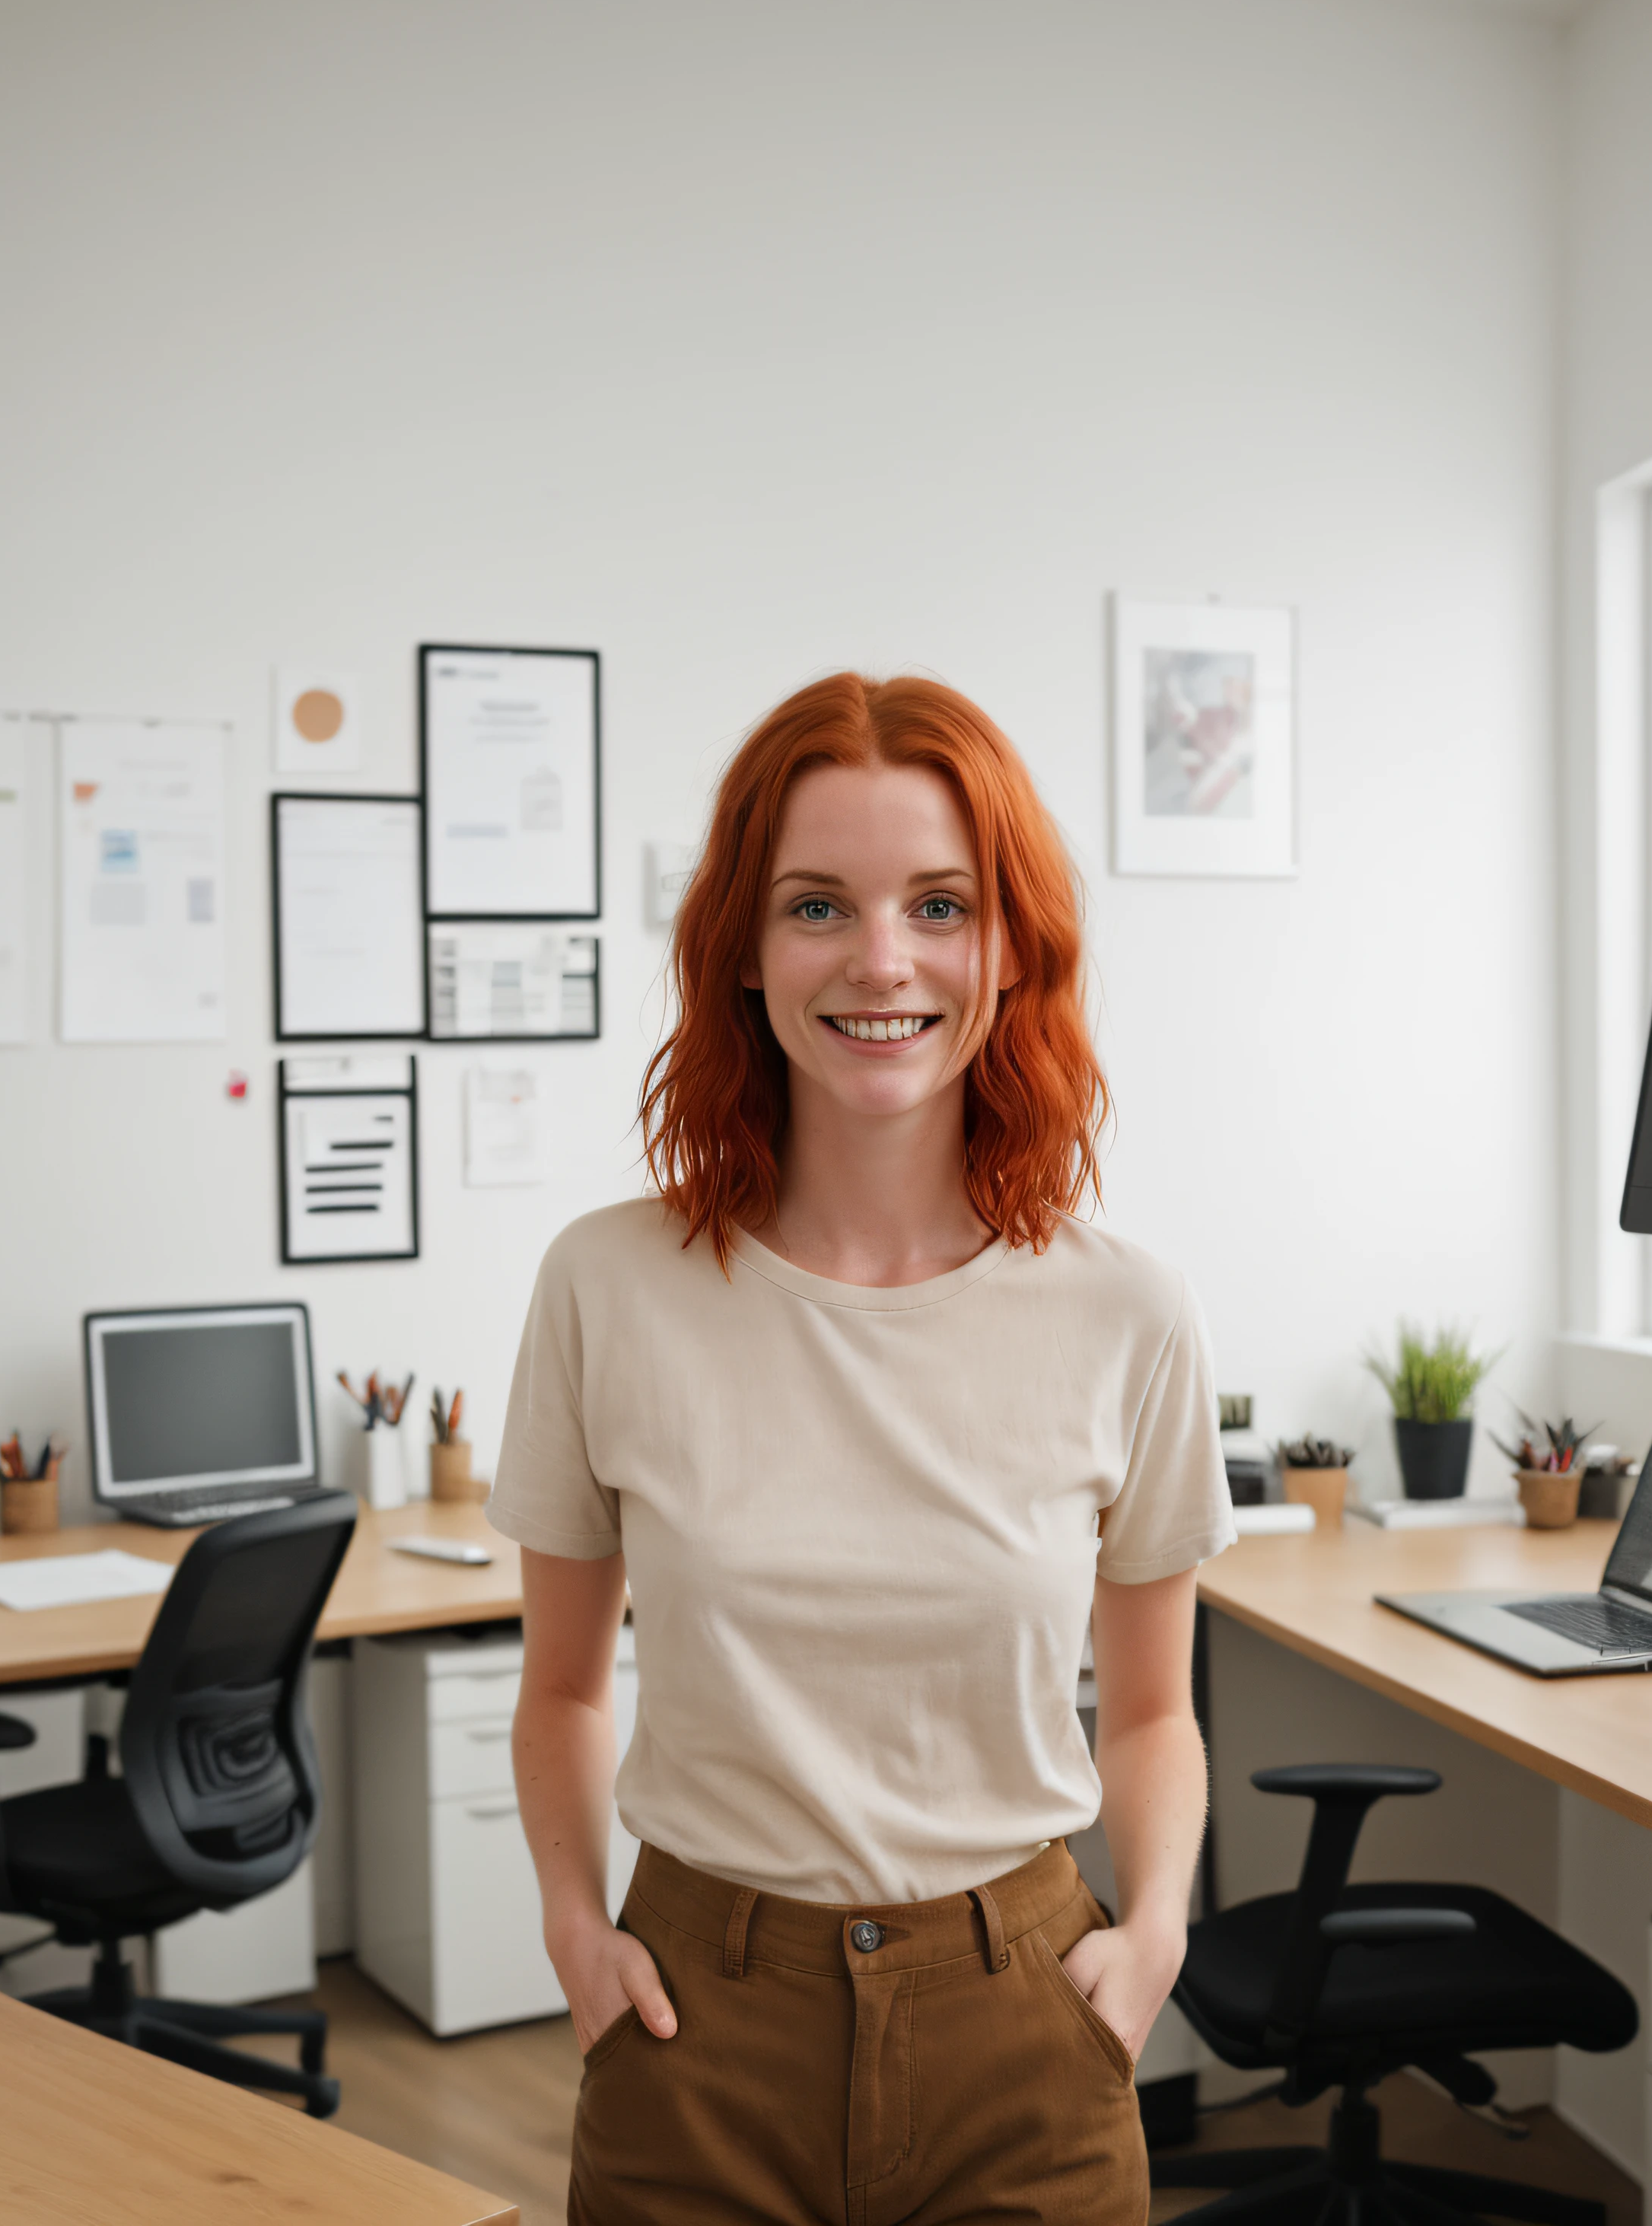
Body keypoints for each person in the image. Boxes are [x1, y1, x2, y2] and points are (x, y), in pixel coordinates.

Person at [491, 671, 1233, 2224]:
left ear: (1009, 946)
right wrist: (575, 1928)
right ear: (744, 957)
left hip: (1023, 2028)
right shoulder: (607, 1286)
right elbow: (562, 1686)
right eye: (818, 905)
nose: (882, 960)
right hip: (698, 2023)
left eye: (942, 905)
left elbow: (1154, 1713)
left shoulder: (1129, 1314)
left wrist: (1152, 1927)